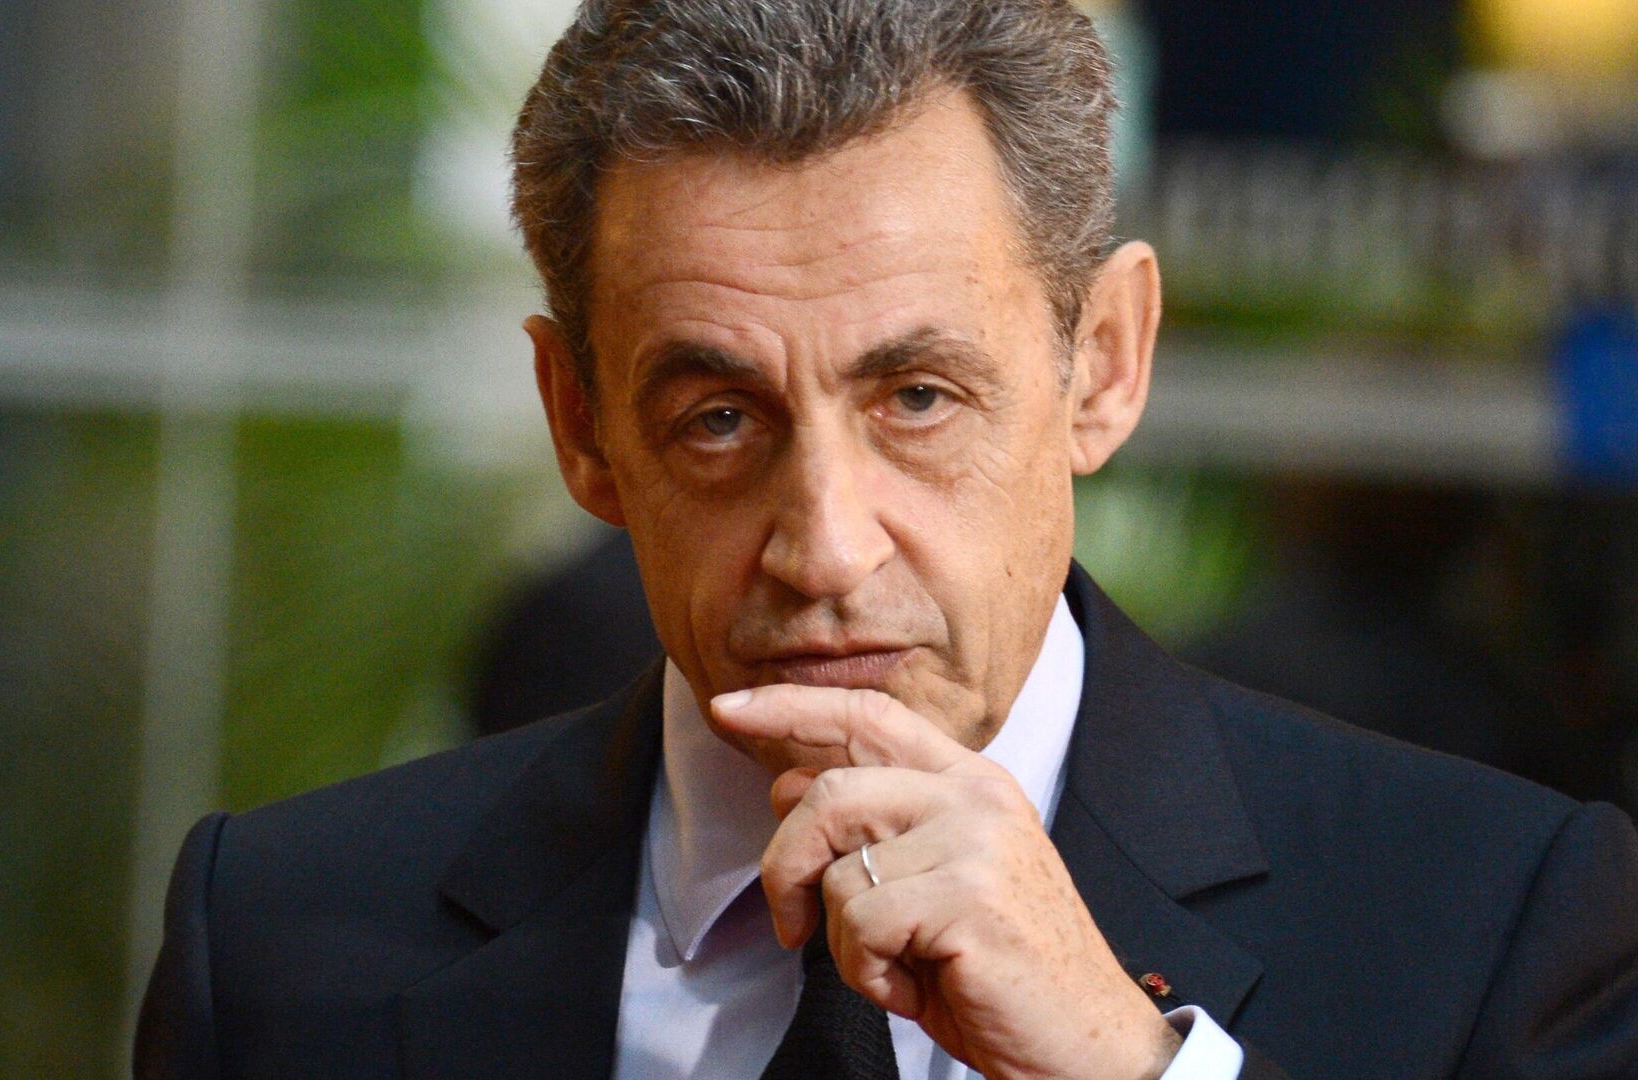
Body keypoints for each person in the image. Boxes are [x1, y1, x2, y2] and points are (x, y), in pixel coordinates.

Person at [133, 1, 1638, 1076]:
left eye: (917, 398)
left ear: (1105, 365)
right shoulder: (280, 940)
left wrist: (1129, 1067)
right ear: (579, 425)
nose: (828, 547)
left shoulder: (1492, 920)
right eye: (719, 418)